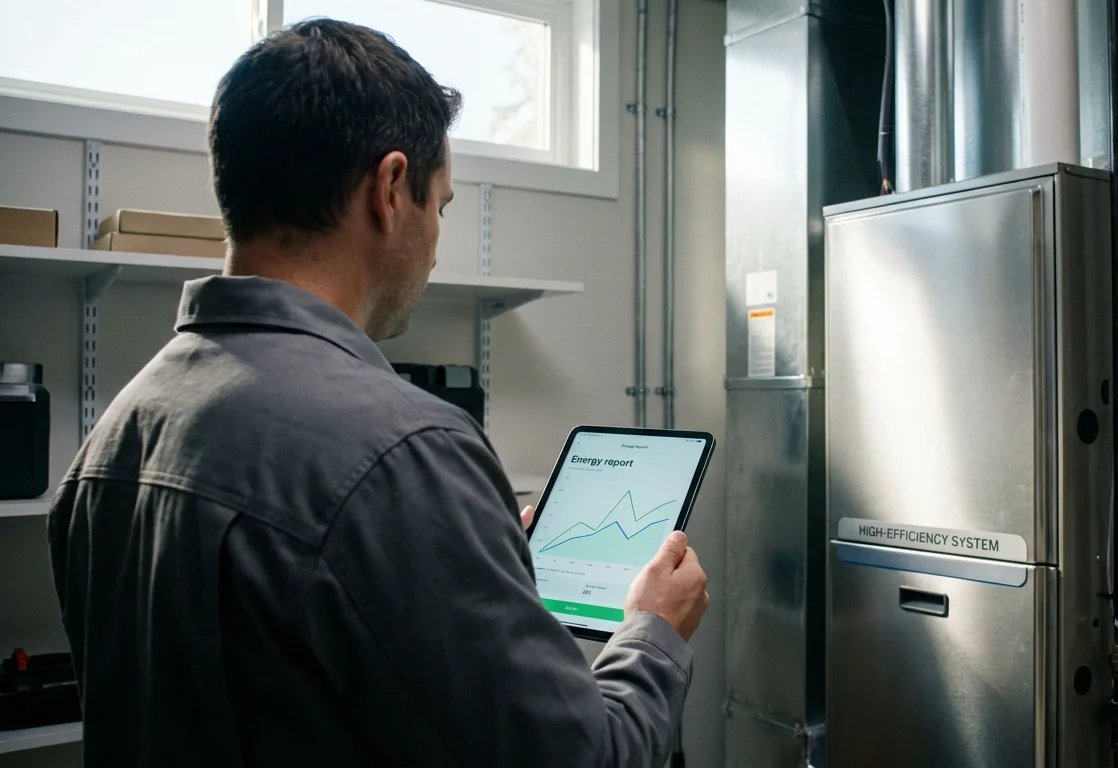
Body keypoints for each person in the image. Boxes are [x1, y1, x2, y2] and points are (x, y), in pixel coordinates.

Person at [46, 18, 709, 767]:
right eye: (442, 205)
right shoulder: (406, 453)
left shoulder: (117, 433)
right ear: (391, 189)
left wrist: (465, 558)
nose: (435, 239)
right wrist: (653, 633)